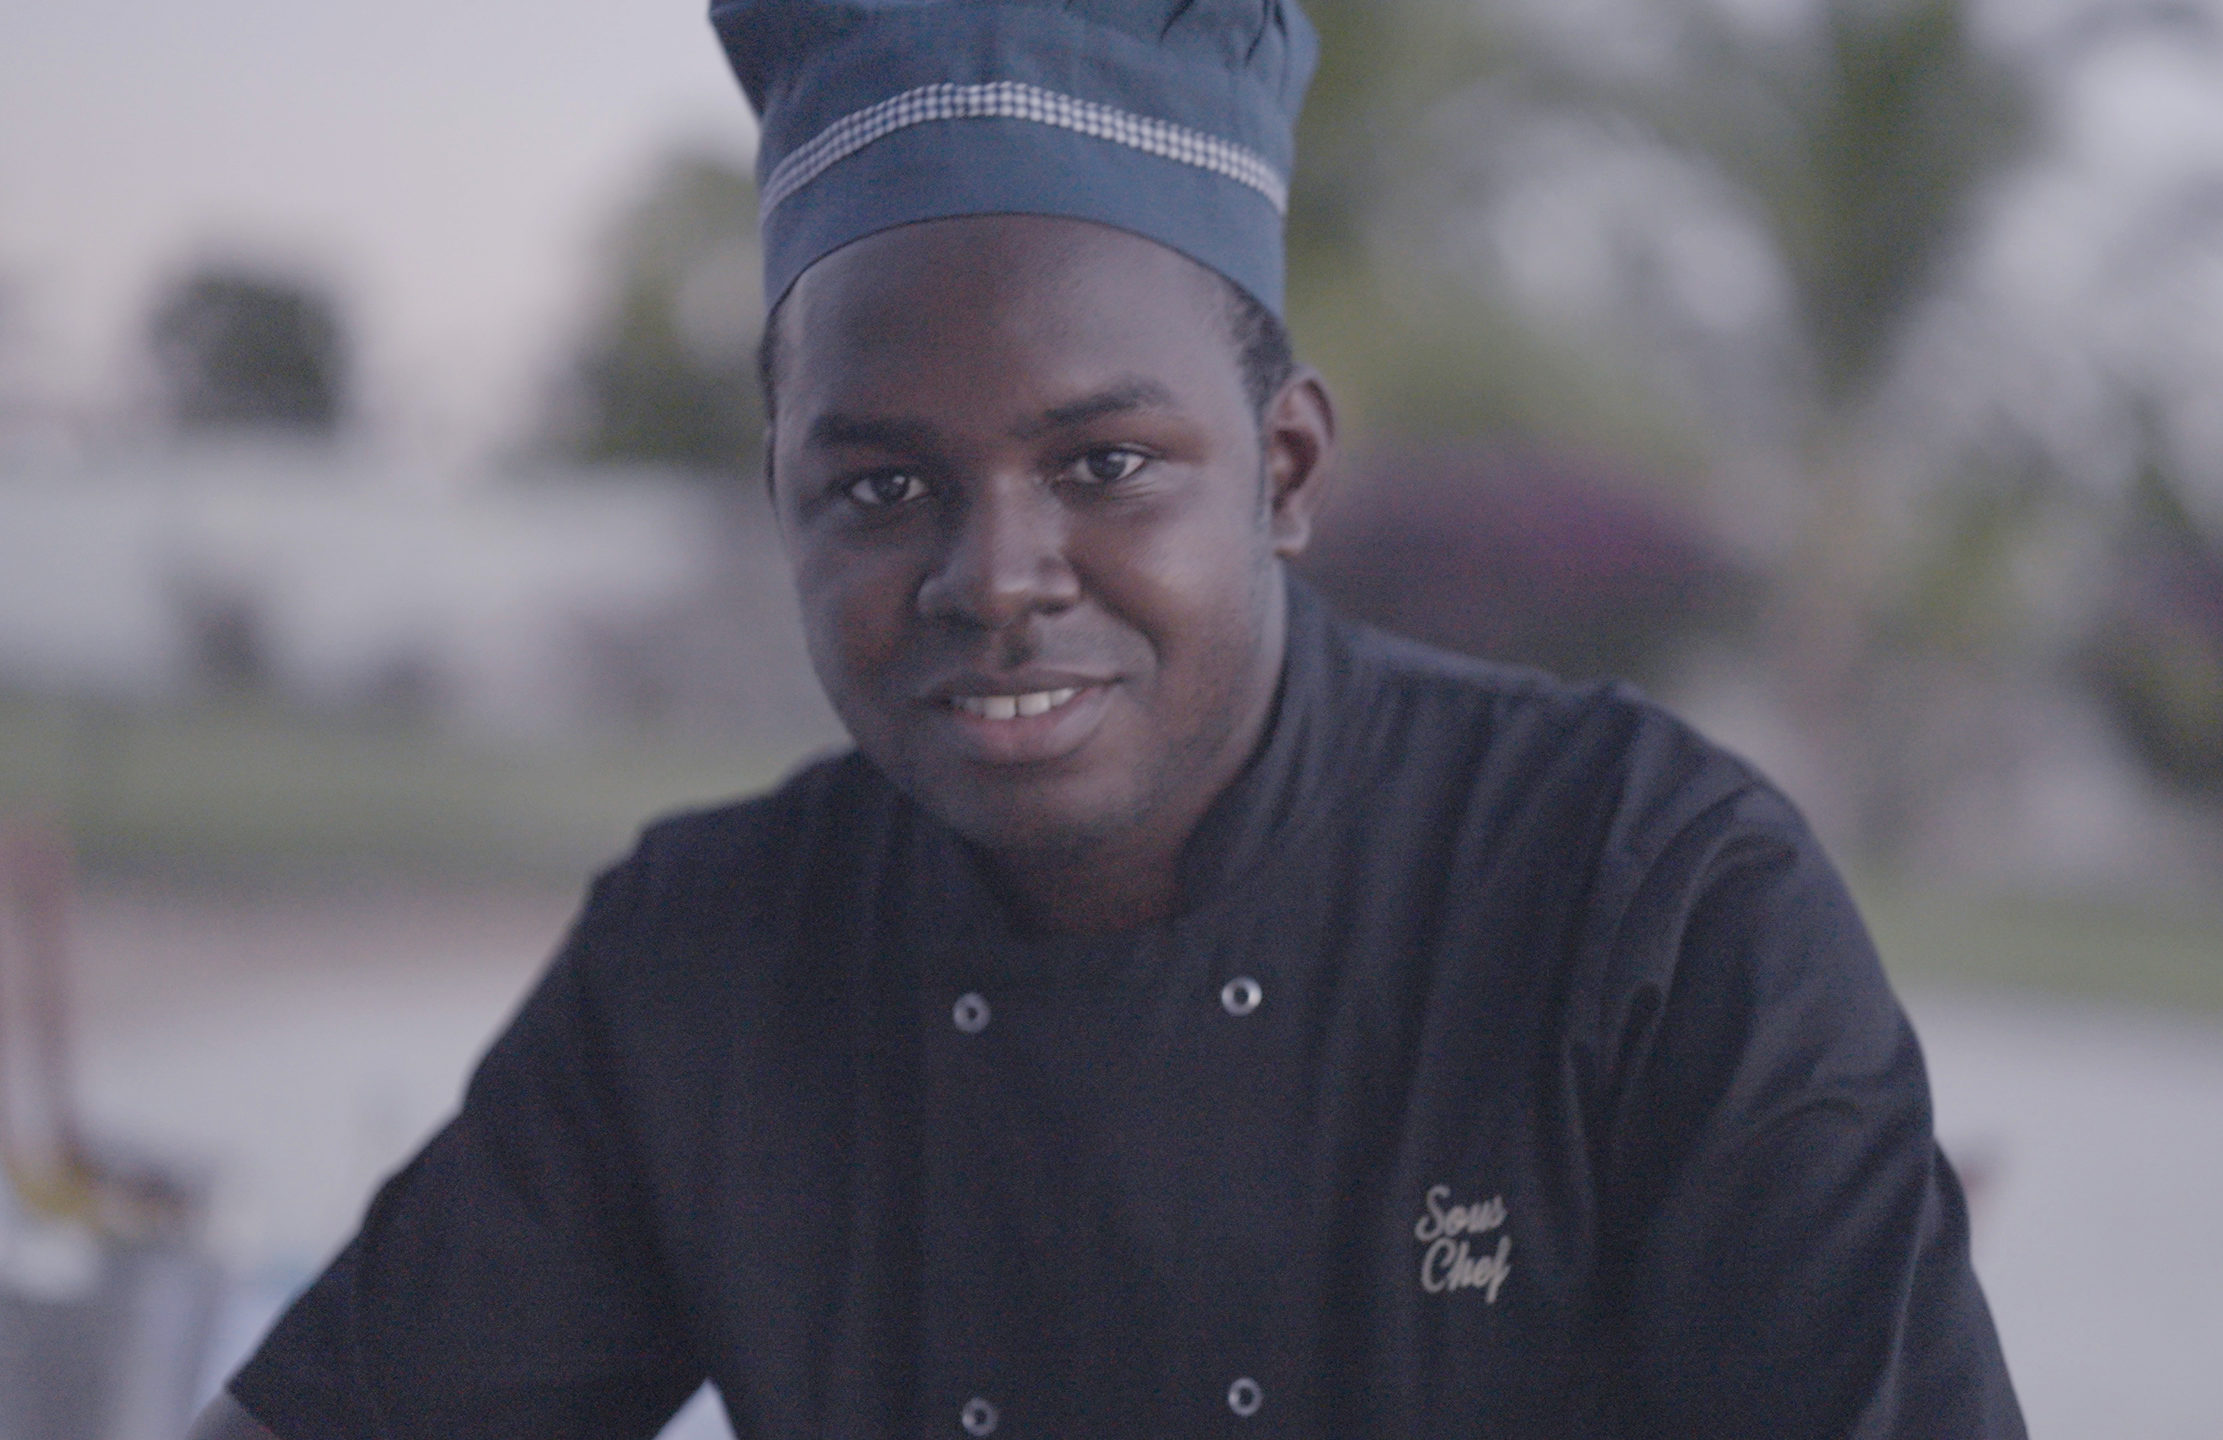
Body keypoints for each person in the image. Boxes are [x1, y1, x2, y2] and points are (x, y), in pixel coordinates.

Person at [196, 1, 2026, 1435]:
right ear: (782, 501)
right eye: (883, 487)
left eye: (1106, 464)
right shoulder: (704, 961)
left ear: (1285, 469)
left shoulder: (1654, 904)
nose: (996, 577)